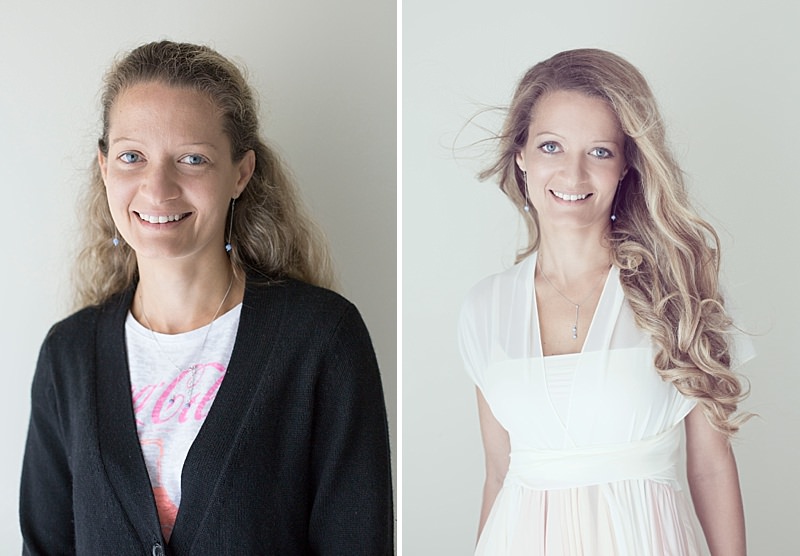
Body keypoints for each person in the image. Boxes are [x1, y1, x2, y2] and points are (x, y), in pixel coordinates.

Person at [20, 40, 393, 555]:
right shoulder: (68, 354)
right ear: (104, 167)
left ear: (240, 173)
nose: (158, 188)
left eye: (192, 159)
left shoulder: (321, 338)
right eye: (132, 156)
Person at [458, 48, 753, 556]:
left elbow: (709, 465)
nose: (572, 176)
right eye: (551, 146)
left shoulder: (680, 290)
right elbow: (499, 473)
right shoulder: (484, 309)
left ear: (626, 167)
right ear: (521, 155)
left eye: (599, 152)